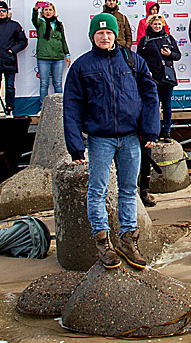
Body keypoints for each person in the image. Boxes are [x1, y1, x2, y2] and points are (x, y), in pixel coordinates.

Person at [63, 13, 160, 269]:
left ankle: (128, 241)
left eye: (109, 33)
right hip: (100, 139)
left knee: (128, 190)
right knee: (97, 191)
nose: (104, 37)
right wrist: (75, 146)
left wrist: (151, 131)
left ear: (116, 34)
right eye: (99, 33)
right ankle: (103, 243)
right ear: (92, 36)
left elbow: (150, 96)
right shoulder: (81, 67)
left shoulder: (133, 61)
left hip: (130, 137)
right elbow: (71, 107)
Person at [136, 14, 180, 141]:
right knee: (152, 106)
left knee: (167, 105)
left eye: (159, 24)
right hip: (152, 78)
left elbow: (178, 55)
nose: (157, 26)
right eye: (155, 24)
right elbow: (139, 58)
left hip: (166, 78)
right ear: (150, 25)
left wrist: (170, 54)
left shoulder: (168, 38)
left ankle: (167, 131)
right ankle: (154, 131)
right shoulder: (144, 40)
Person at [31, 1, 71, 105]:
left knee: (57, 83)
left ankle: (59, 107)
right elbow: (34, 20)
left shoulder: (59, 24)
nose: (48, 12)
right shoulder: (40, 23)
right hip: (43, 58)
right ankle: (43, 107)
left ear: (54, 11)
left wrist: (67, 54)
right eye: (46, 10)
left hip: (58, 58)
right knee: (44, 84)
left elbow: (63, 40)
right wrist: (35, 9)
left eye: (50, 10)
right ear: (42, 11)